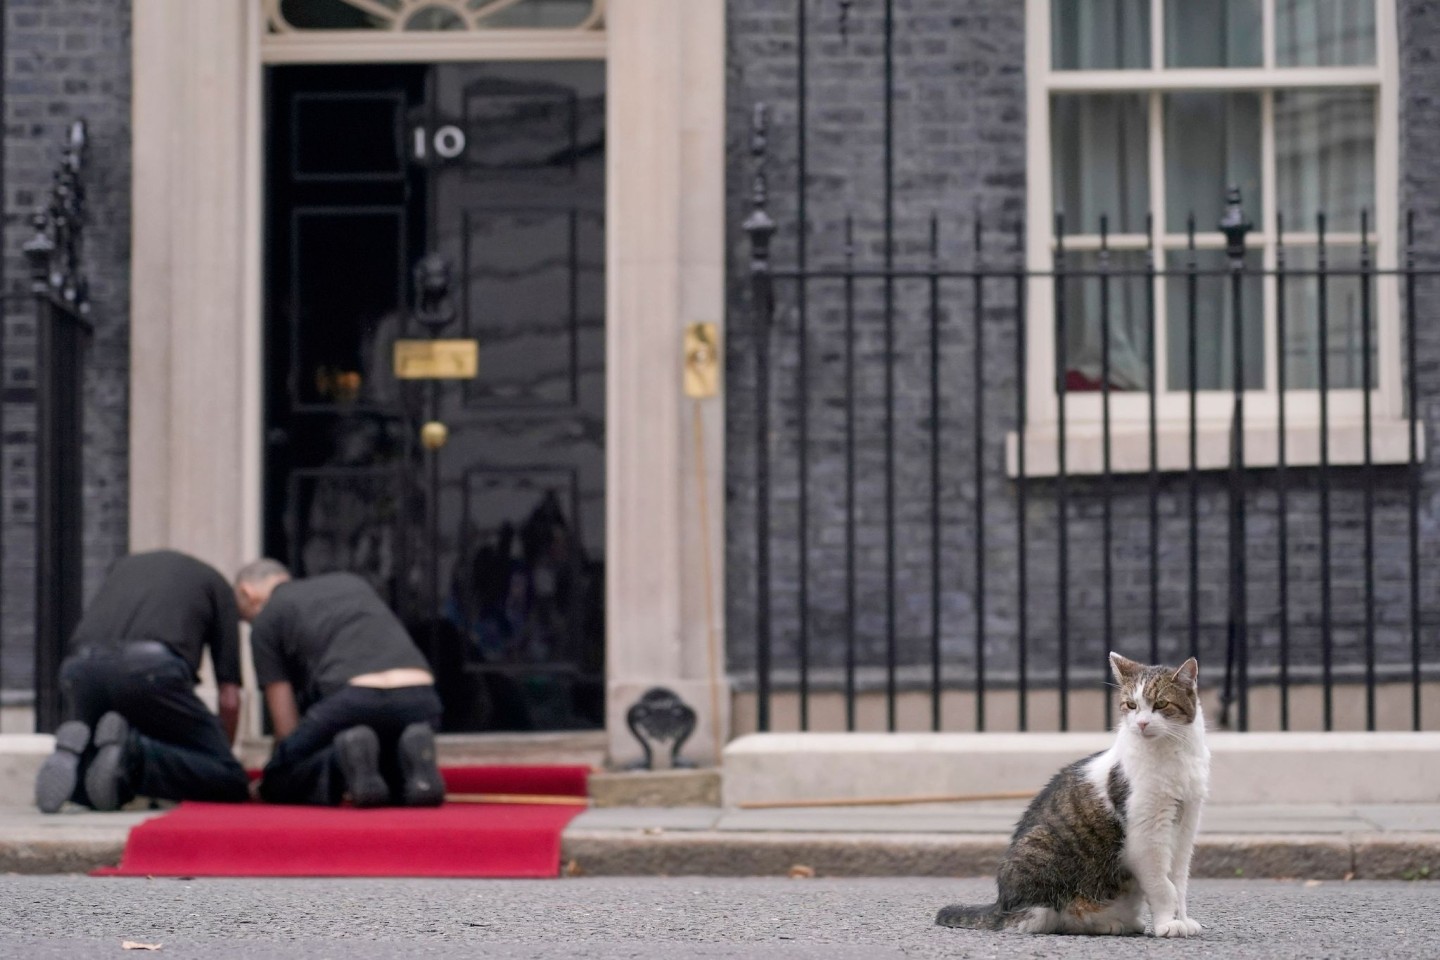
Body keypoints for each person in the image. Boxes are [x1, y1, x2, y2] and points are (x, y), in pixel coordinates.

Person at [35, 550, 250, 813]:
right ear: (246, 592)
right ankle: (133, 753)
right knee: (230, 779)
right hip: (150, 671)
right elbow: (229, 698)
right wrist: (215, 758)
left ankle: (78, 763)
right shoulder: (220, 587)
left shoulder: (122, 569)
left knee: (104, 765)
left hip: (80, 669)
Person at [233, 558, 444, 807]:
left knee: (280, 777)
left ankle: (340, 762)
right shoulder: (350, 583)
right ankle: (412, 767)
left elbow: (285, 726)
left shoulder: (267, 619)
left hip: (353, 700)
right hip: (421, 699)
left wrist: (280, 766)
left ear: (247, 593)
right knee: (379, 753)